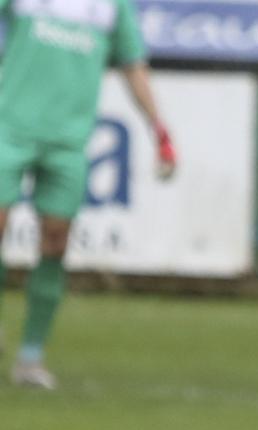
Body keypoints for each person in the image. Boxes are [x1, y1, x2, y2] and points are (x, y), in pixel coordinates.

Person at [0, 0, 176, 389]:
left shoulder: (112, 6)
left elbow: (134, 66)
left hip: (68, 141)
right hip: (8, 128)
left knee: (55, 241)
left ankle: (31, 357)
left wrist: (159, 130)